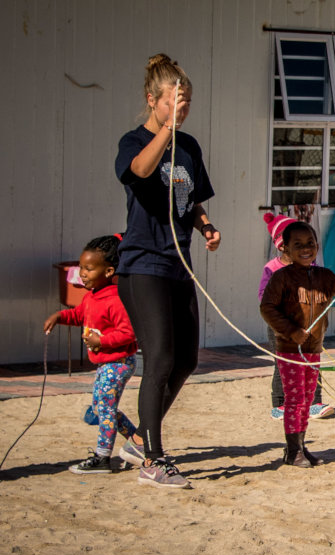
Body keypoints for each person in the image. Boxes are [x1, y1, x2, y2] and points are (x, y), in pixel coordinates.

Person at [115, 54, 221, 489]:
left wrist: (207, 226)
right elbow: (137, 171)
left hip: (179, 264)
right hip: (142, 264)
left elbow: (191, 200)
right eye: (174, 102)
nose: (182, 109)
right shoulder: (135, 140)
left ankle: (142, 437)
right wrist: (165, 130)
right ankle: (153, 460)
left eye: (187, 102)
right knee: (158, 358)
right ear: (152, 100)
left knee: (187, 359)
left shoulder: (190, 147)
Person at [260, 222, 335, 467]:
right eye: (298, 245)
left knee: (307, 397)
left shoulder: (324, 276)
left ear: (317, 246)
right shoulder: (281, 278)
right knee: (294, 400)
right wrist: (291, 332)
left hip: (314, 349)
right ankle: (293, 451)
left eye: (310, 244)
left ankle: (300, 447)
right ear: (286, 250)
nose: (306, 249)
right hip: (291, 350)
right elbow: (267, 308)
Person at [44, 236, 141, 474]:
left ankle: (102, 458)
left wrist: (102, 341)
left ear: (108, 271)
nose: (83, 273)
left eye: (89, 268)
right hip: (105, 364)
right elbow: (79, 315)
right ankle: (140, 443)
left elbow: (129, 333)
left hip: (118, 363)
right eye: (81, 267)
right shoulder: (91, 296)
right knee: (102, 408)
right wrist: (59, 317)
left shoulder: (116, 298)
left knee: (106, 409)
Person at [260, 212, 332, 421]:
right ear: (283, 246)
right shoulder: (272, 269)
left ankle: (314, 403)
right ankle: (280, 404)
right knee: (283, 363)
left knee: (312, 362)